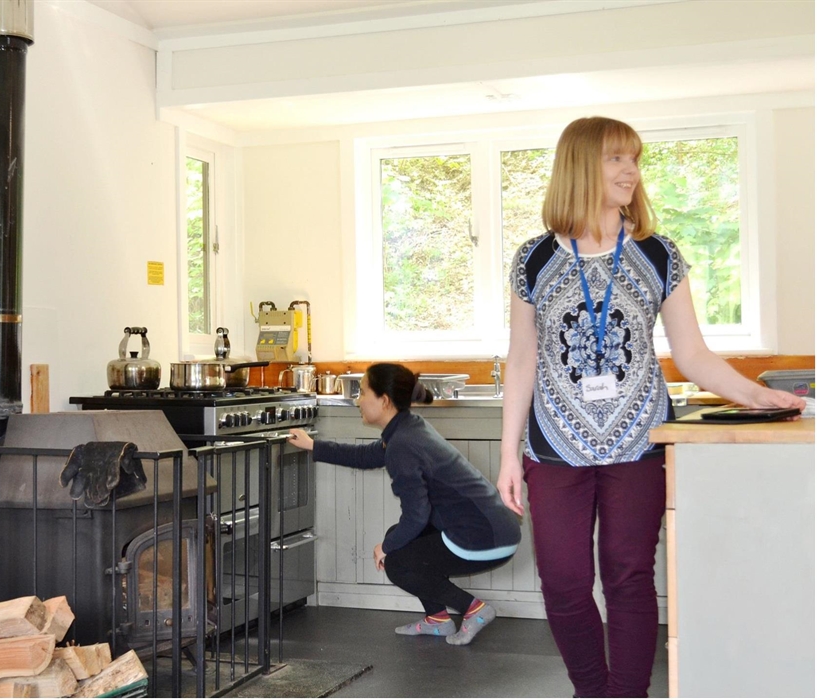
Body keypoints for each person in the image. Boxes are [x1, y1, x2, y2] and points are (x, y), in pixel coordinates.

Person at [495, 116, 806, 698]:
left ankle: (628, 695)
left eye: (634, 159)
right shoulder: (532, 259)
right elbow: (521, 361)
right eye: (616, 159)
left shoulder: (658, 254)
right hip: (552, 447)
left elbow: (693, 355)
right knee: (562, 583)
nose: (631, 171)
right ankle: (592, 691)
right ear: (581, 165)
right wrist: (509, 455)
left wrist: (759, 394)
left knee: (629, 579)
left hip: (639, 440)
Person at [289, 362, 521, 646]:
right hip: (490, 528)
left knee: (396, 560)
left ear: (384, 400)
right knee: (396, 540)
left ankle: (474, 609)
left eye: (362, 393)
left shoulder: (403, 443)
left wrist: (384, 549)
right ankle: (438, 620)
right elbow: (367, 456)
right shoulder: (407, 429)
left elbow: (416, 515)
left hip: (484, 536)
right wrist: (313, 445)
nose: (357, 400)